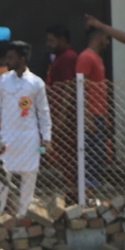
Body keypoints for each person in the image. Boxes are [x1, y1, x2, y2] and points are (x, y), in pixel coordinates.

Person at [0, 41, 52, 217]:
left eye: (11, 57)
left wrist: (47, 138)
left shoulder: (36, 83)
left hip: (29, 139)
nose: (7, 61)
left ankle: (23, 216)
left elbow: (43, 112)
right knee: (0, 177)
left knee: (29, 176)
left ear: (22, 59)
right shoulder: (4, 80)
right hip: (6, 138)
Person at [44, 23, 79, 192]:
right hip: (58, 115)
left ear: (62, 40)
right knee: (62, 157)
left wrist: (63, 115)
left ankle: (71, 194)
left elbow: (69, 86)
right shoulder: (60, 57)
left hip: (65, 119)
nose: (48, 44)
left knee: (68, 158)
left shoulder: (67, 58)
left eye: (51, 40)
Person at [76, 28, 111, 188]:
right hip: (92, 114)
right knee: (91, 154)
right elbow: (81, 87)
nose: (108, 42)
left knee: (98, 153)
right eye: (106, 38)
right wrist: (86, 115)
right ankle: (87, 187)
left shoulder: (96, 58)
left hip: (99, 114)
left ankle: (92, 187)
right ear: (98, 37)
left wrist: (106, 115)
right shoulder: (86, 57)